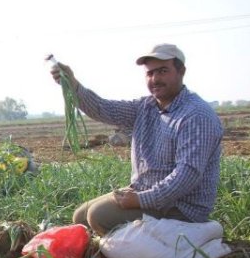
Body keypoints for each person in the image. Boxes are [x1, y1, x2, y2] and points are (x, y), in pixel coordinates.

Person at [50, 43, 223, 236]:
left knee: (98, 217)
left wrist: (141, 200)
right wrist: (73, 85)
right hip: (145, 191)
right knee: (80, 217)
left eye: (163, 71)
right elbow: (102, 108)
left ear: (181, 71)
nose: (155, 79)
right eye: (150, 73)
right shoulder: (146, 106)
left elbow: (186, 176)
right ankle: (120, 247)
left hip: (180, 208)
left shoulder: (196, 115)